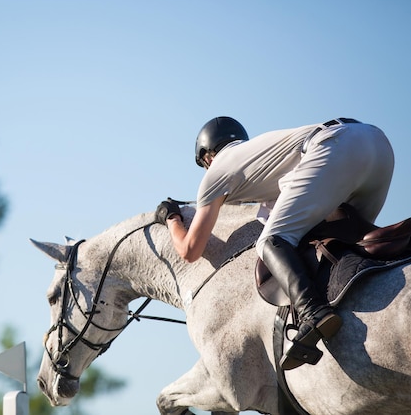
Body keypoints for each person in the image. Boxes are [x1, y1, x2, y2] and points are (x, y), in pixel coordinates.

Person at [155, 116, 394, 370]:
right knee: (351, 237)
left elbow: (190, 250)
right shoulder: (262, 158)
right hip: (377, 143)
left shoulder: (216, 171)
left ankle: (313, 312)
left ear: (208, 157)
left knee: (270, 241)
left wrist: (171, 218)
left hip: (334, 145)